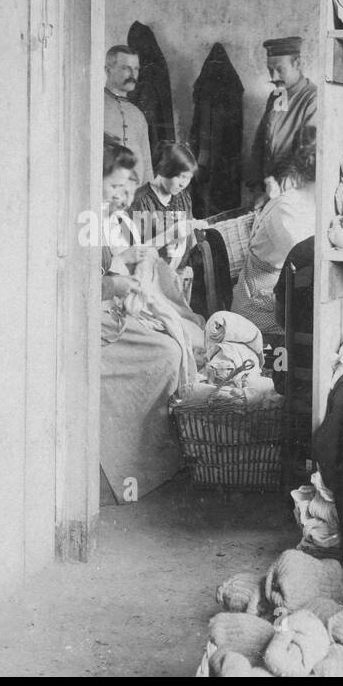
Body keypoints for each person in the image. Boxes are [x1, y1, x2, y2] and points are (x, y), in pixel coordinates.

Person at [100, 141, 204, 504]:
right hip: (94, 317)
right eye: (115, 187)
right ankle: (135, 462)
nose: (123, 195)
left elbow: (119, 259)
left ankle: (159, 457)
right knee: (166, 349)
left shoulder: (117, 218)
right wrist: (118, 280)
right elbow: (87, 281)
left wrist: (138, 259)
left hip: (118, 303)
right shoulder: (88, 219)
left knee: (179, 338)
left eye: (126, 187)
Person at [232, 144, 318, 335]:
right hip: (259, 306)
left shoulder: (310, 204)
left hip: (280, 296)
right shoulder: (286, 208)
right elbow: (303, 257)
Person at [246, 36, 318, 206]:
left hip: (294, 193)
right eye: (270, 70)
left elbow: (307, 156)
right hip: (269, 190)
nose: (274, 76)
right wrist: (256, 187)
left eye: (280, 69)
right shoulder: (277, 95)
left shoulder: (313, 98)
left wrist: (276, 191)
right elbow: (261, 140)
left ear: (297, 64)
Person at [128, 142, 198, 275]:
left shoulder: (183, 197)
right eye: (180, 176)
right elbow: (137, 250)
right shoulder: (142, 201)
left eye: (188, 178)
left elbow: (188, 233)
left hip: (178, 273)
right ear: (165, 169)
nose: (183, 184)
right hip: (149, 276)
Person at [103, 45, 154, 185]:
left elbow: (147, 165)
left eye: (136, 69)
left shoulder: (137, 115)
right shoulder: (95, 108)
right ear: (108, 70)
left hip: (135, 197)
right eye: (126, 68)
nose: (133, 74)